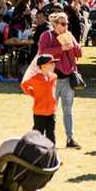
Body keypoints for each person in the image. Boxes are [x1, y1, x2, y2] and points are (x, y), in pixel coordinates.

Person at [37, 12, 83, 149]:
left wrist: (73, 46)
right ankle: (47, 140)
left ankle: (70, 139)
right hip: (52, 79)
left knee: (68, 111)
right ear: (55, 25)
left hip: (68, 78)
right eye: (63, 24)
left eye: (67, 23)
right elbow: (42, 52)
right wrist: (60, 48)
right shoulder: (47, 35)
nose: (66, 26)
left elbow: (79, 53)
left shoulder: (68, 35)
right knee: (50, 111)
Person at [20, 54, 58, 143]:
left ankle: (51, 152)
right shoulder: (35, 79)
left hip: (51, 111)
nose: (53, 65)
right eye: (51, 63)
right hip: (39, 111)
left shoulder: (54, 77)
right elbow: (24, 85)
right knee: (38, 133)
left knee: (51, 133)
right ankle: (35, 150)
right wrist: (33, 94)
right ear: (43, 66)